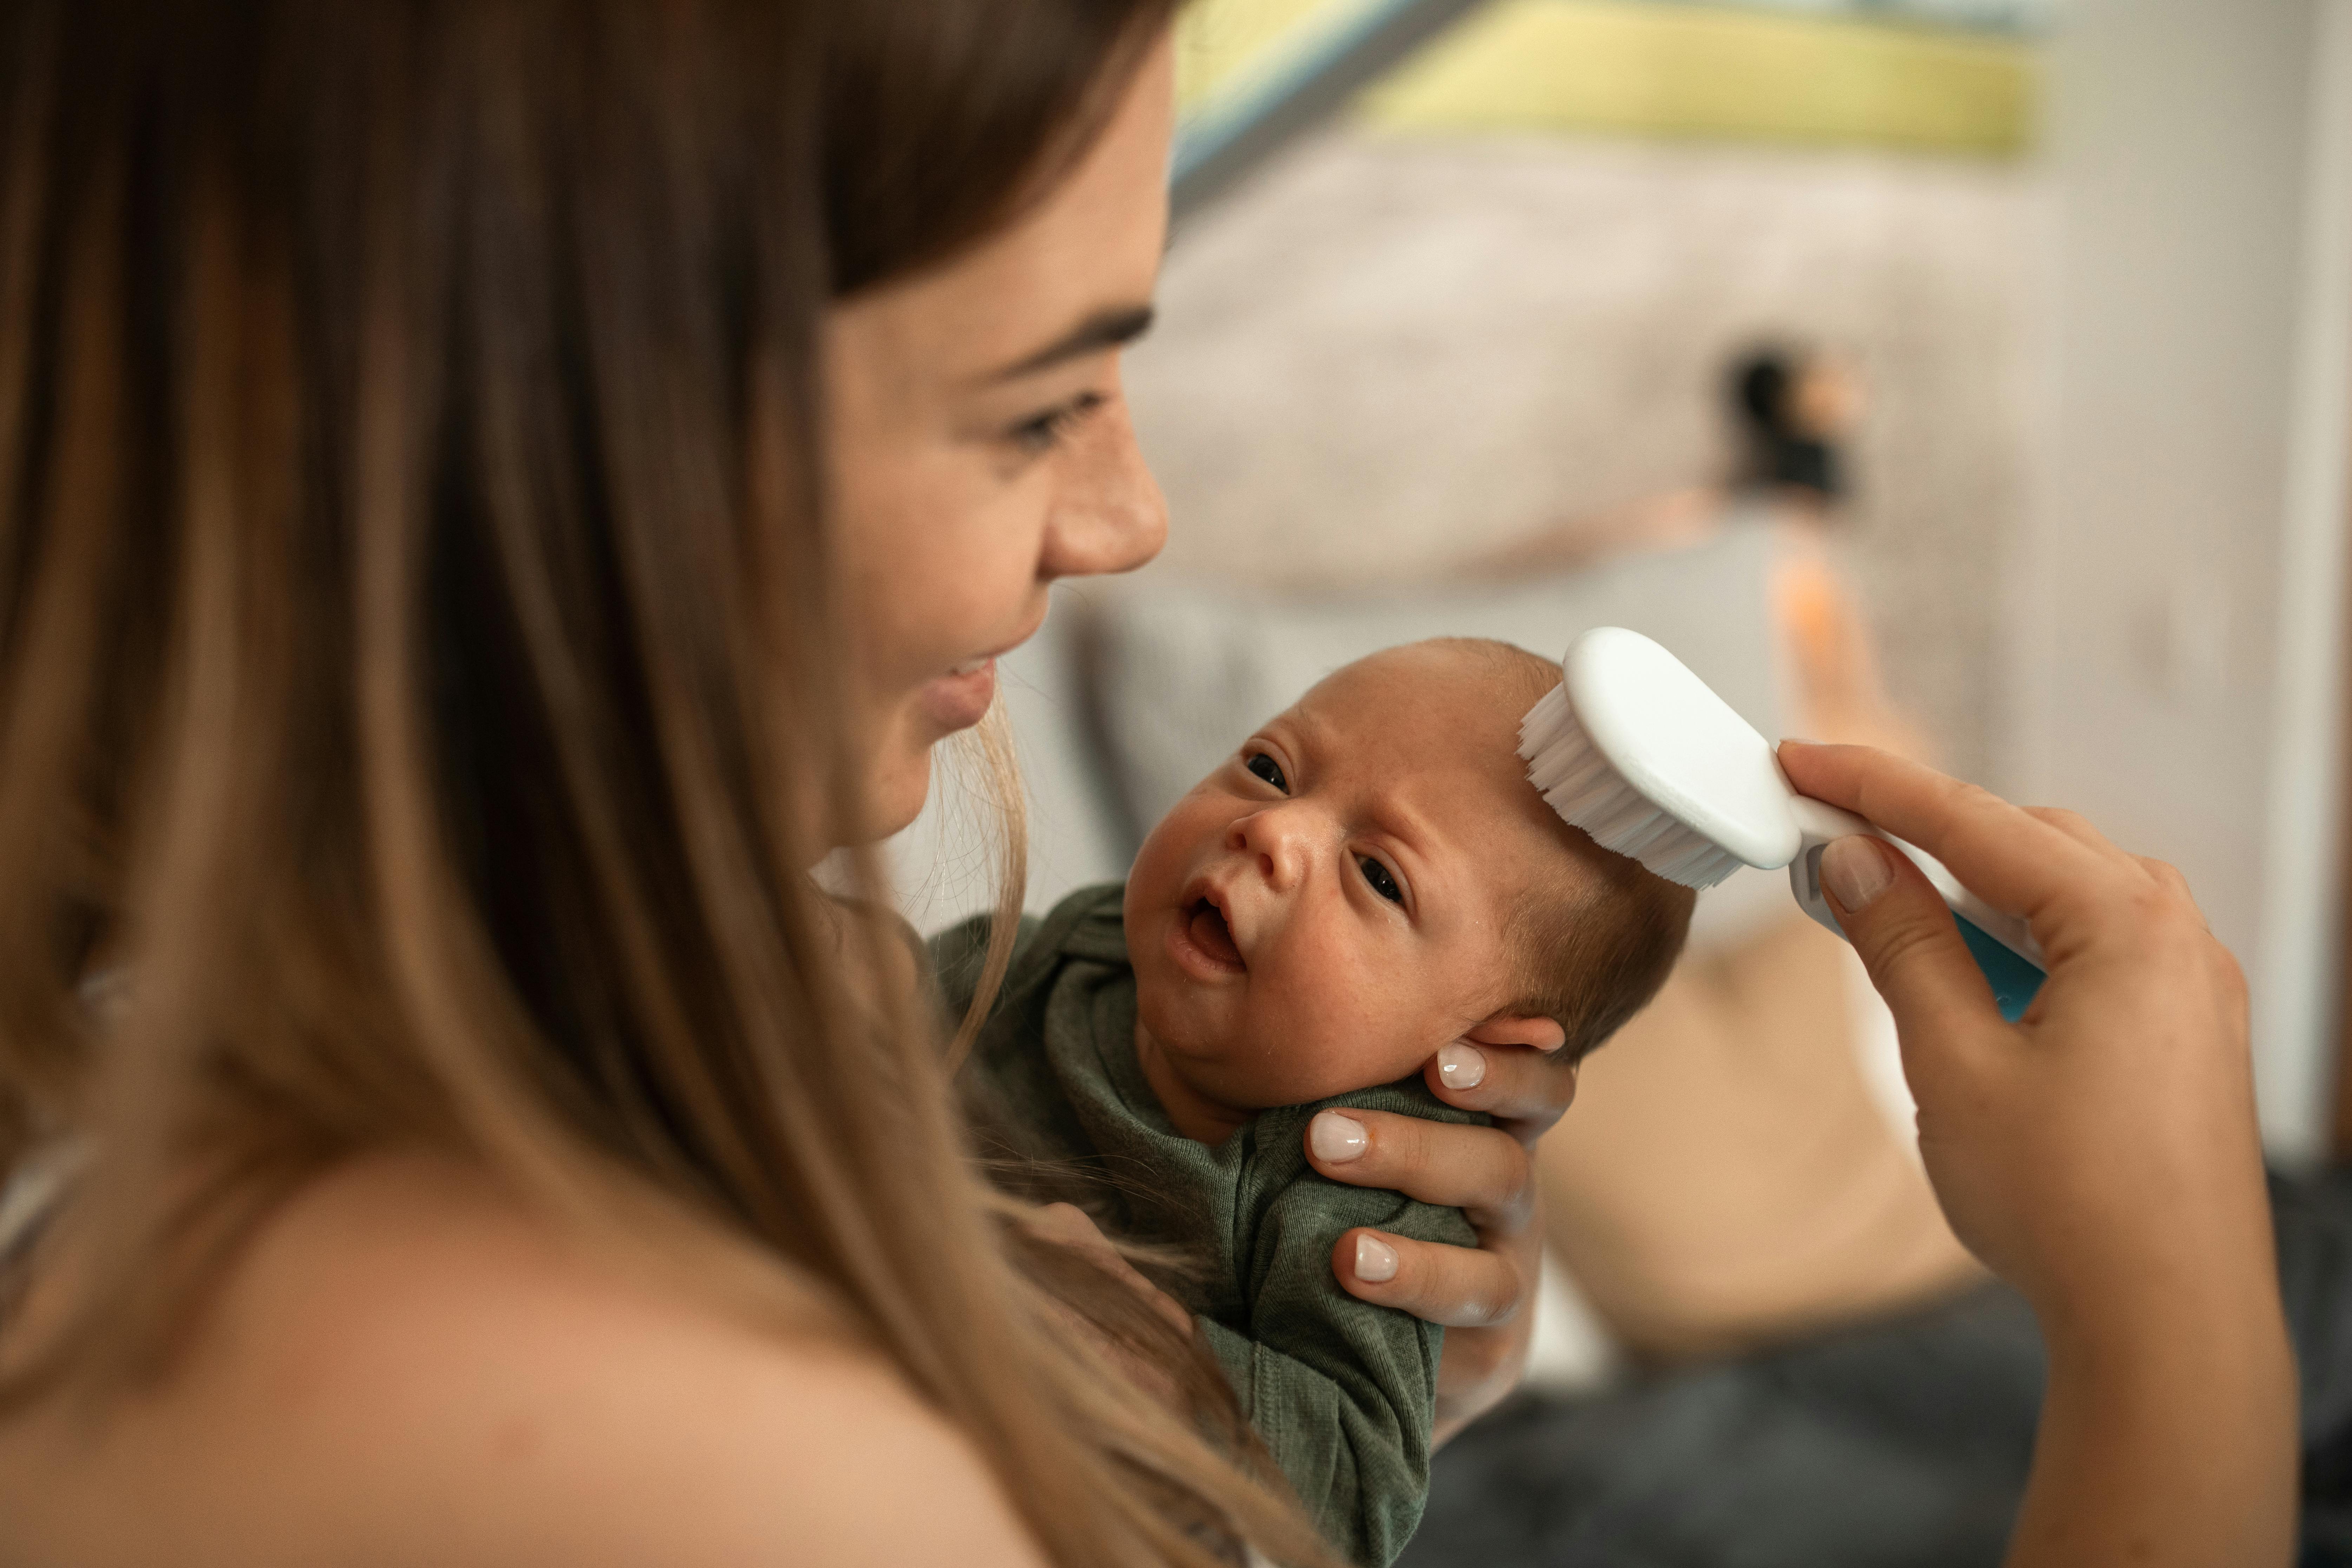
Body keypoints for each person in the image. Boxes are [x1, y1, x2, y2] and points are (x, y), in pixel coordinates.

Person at [0, 3, 2293, 1565]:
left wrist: (1357, 1388)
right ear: (546, 442)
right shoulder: (729, 1457)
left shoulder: (363, 1144)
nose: (1126, 523)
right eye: (1033, 405)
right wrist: (2176, 1314)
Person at [936, 640, 1693, 1564]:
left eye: (1378, 875)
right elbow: (880, 1014)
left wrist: (1153, 1359)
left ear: (1483, 1047)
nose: (1274, 830)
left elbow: (1354, 1491)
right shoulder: (1086, 948)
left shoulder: (1358, 1183)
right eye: (1269, 768)